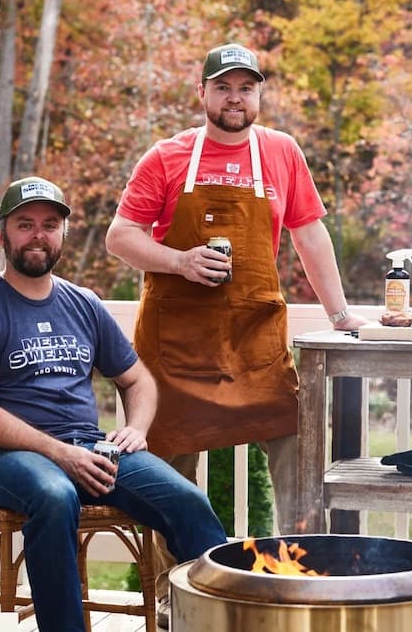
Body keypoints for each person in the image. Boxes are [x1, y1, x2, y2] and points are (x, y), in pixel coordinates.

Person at [105, 43, 368, 627]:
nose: (234, 98)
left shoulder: (281, 152)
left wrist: (342, 314)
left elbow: (310, 236)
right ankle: (182, 603)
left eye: (246, 88)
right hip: (173, 352)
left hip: (254, 343)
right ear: (202, 94)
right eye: (223, 87)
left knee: (298, 458)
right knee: (169, 485)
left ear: (258, 95)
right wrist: (178, 261)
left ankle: (298, 587)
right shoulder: (168, 157)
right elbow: (119, 237)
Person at [0, 176, 228, 632]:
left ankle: (215, 623)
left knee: (188, 501)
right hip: (7, 459)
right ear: (2, 235)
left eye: (50, 225)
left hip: (91, 450)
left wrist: (136, 429)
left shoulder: (84, 303)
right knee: (54, 497)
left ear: (62, 235)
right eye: (25, 224)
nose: (38, 235)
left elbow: (138, 381)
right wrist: (62, 454)